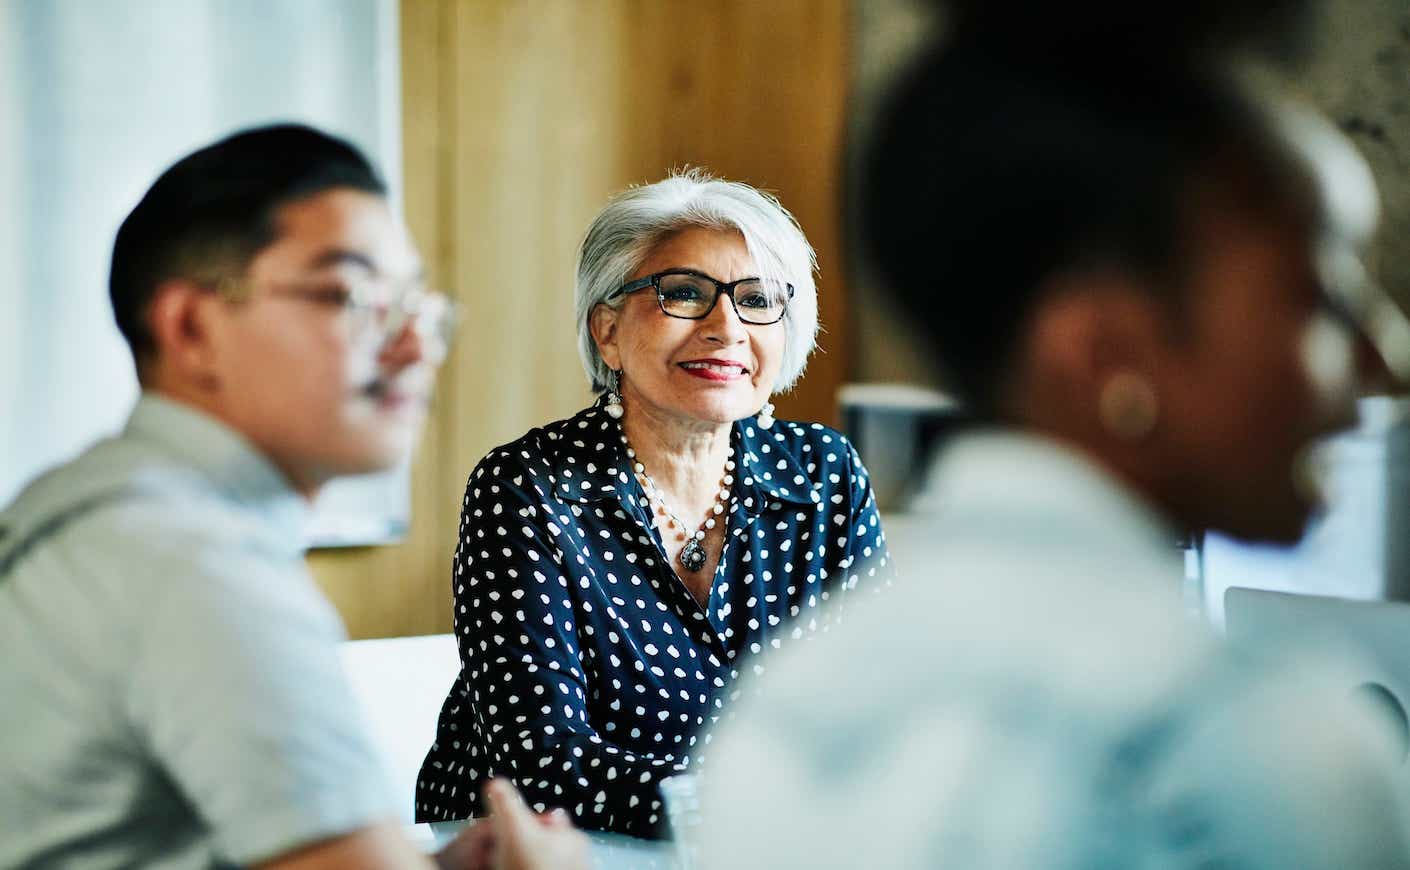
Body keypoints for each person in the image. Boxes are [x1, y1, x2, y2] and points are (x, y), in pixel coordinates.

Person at [696, 25, 1410, 870]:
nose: (1384, 358)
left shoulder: (780, 720)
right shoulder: (1271, 750)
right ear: (1108, 354)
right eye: (1319, 296)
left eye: (756, 300)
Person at [0, 124, 585, 870]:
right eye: (352, 295)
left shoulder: (96, 508)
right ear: (192, 327)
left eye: (417, 306)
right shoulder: (193, 563)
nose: (416, 347)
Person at [415, 170, 895, 837]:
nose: (726, 327)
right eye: (685, 294)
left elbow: (886, 709)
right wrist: (746, 812)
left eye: (757, 299)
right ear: (607, 330)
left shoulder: (825, 476)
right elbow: (543, 765)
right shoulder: (527, 487)